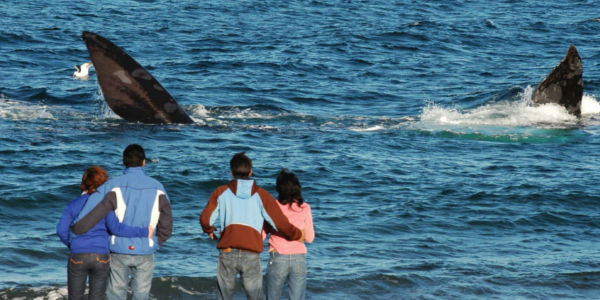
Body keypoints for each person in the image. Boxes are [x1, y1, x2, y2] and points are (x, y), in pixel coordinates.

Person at [70, 144, 173, 300]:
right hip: (146, 247)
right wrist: (157, 241)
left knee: (116, 293)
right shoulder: (158, 187)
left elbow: (91, 212)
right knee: (142, 294)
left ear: (123, 162)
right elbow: (167, 219)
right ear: (144, 162)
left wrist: (76, 229)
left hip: (118, 248)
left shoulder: (112, 186)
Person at [200, 152, 304, 300]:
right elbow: (279, 223)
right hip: (251, 253)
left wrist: (209, 230)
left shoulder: (220, 192)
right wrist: (297, 234)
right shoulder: (262, 195)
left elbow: (206, 219)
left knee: (224, 296)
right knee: (255, 297)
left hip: (227, 252)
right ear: (251, 171)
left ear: (231, 172)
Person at [56, 166, 153, 300]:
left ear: (84, 183)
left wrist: (73, 245)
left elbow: (61, 230)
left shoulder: (73, 204)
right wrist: (143, 231)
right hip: (101, 255)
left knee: (75, 297)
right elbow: (117, 229)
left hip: (78, 254)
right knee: (97, 297)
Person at [264, 169, 314, 300]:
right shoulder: (305, 207)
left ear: (279, 189)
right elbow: (310, 238)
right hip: (299, 257)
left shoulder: (273, 206)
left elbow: (262, 234)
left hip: (278, 255)